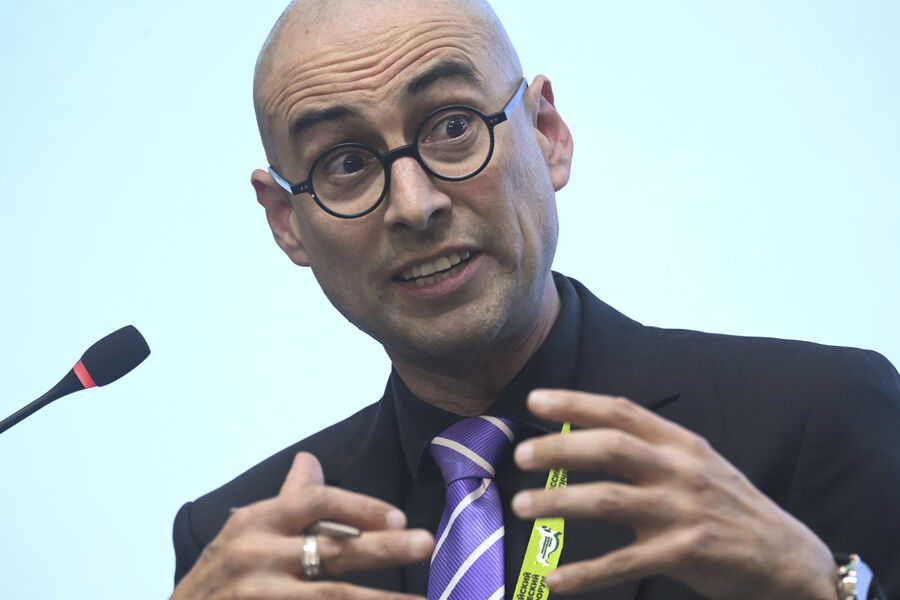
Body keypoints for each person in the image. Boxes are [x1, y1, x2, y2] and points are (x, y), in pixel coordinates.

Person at [171, 1, 900, 598]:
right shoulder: (245, 544)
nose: (414, 205)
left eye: (453, 127)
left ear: (547, 134)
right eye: (347, 163)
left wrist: (826, 590)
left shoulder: (814, 417)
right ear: (286, 221)